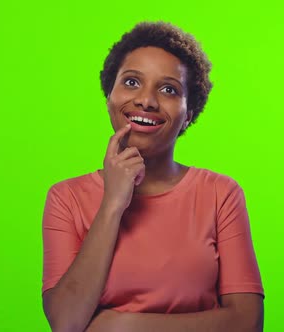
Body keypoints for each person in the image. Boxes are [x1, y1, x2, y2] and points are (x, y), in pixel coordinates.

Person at [41, 21, 264, 332]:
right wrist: (113, 203)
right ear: (109, 96)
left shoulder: (220, 193)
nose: (146, 100)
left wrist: (124, 326)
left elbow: (247, 322)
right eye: (132, 82)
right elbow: (66, 322)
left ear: (188, 115)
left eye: (168, 89)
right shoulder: (66, 198)